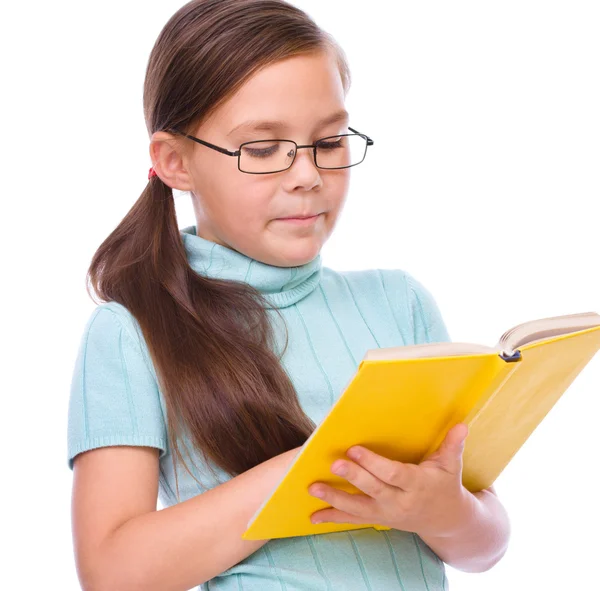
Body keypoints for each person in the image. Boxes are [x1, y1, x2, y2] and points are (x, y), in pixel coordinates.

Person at [67, 1, 511, 589]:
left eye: (329, 142)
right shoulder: (132, 332)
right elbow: (112, 572)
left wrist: (445, 511)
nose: (307, 174)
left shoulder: (399, 303)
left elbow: (486, 544)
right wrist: (307, 470)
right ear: (175, 162)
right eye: (262, 149)